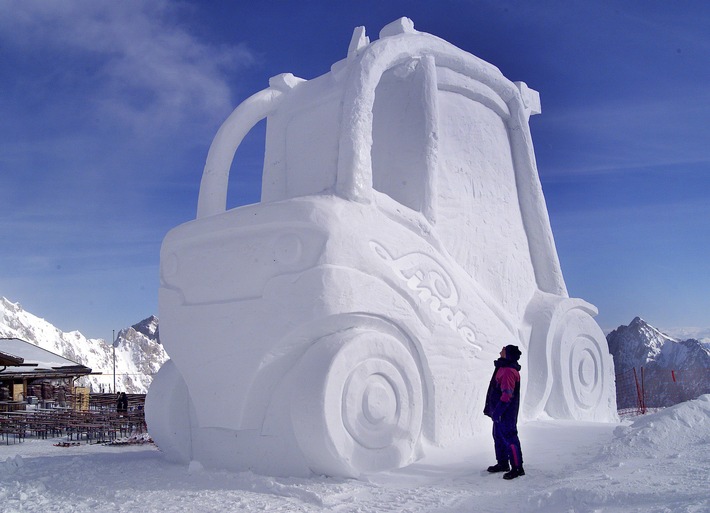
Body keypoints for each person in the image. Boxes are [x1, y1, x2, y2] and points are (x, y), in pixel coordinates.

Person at [483, 344, 525, 480]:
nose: (501, 349)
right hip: (499, 412)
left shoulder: (508, 371)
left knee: (510, 438)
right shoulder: (503, 367)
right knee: (498, 437)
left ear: (508, 354)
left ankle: (517, 468)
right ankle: (502, 463)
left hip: (505, 413)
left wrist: (499, 411)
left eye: (504, 349)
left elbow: (507, 395)